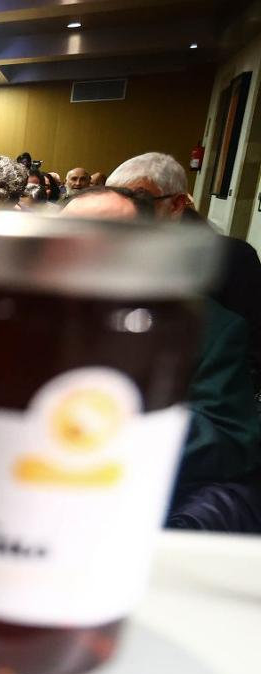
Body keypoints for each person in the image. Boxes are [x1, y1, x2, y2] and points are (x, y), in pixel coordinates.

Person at [62, 186, 261, 532]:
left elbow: (229, 436)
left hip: (128, 505)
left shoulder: (205, 327)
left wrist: (119, 433)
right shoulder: (22, 314)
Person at [107, 151, 261, 395]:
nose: (124, 211)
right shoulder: (109, 249)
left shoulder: (231, 257)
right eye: (115, 198)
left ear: (176, 204)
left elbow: (247, 356)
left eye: (139, 200)